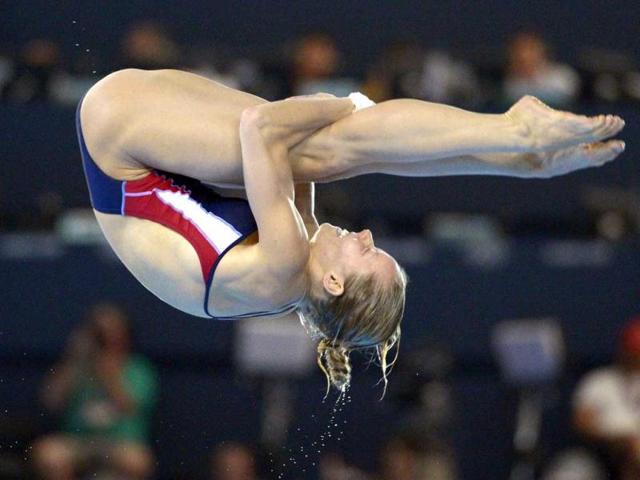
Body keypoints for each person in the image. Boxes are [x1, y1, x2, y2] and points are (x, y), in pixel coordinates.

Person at [77, 68, 625, 393]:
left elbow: (262, 127)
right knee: (334, 152)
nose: (364, 236)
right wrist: (511, 165)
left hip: (118, 139)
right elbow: (359, 154)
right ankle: (516, 155)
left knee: (331, 142)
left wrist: (347, 101)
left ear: (335, 282)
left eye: (367, 252)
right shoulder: (297, 263)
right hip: (138, 145)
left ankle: (514, 131)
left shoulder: (285, 262)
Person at [31, 303, 159, 480]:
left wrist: (107, 372)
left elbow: (130, 408)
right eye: (99, 332)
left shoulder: (138, 369)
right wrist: (74, 358)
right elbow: (51, 402)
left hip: (120, 444)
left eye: (111, 332)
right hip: (79, 442)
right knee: (49, 454)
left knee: (138, 461)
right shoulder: (76, 368)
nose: (105, 339)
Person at [573, 315, 640, 480]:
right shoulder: (598, 380)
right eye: (632, 351)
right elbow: (582, 423)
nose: (634, 358)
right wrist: (614, 439)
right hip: (602, 451)